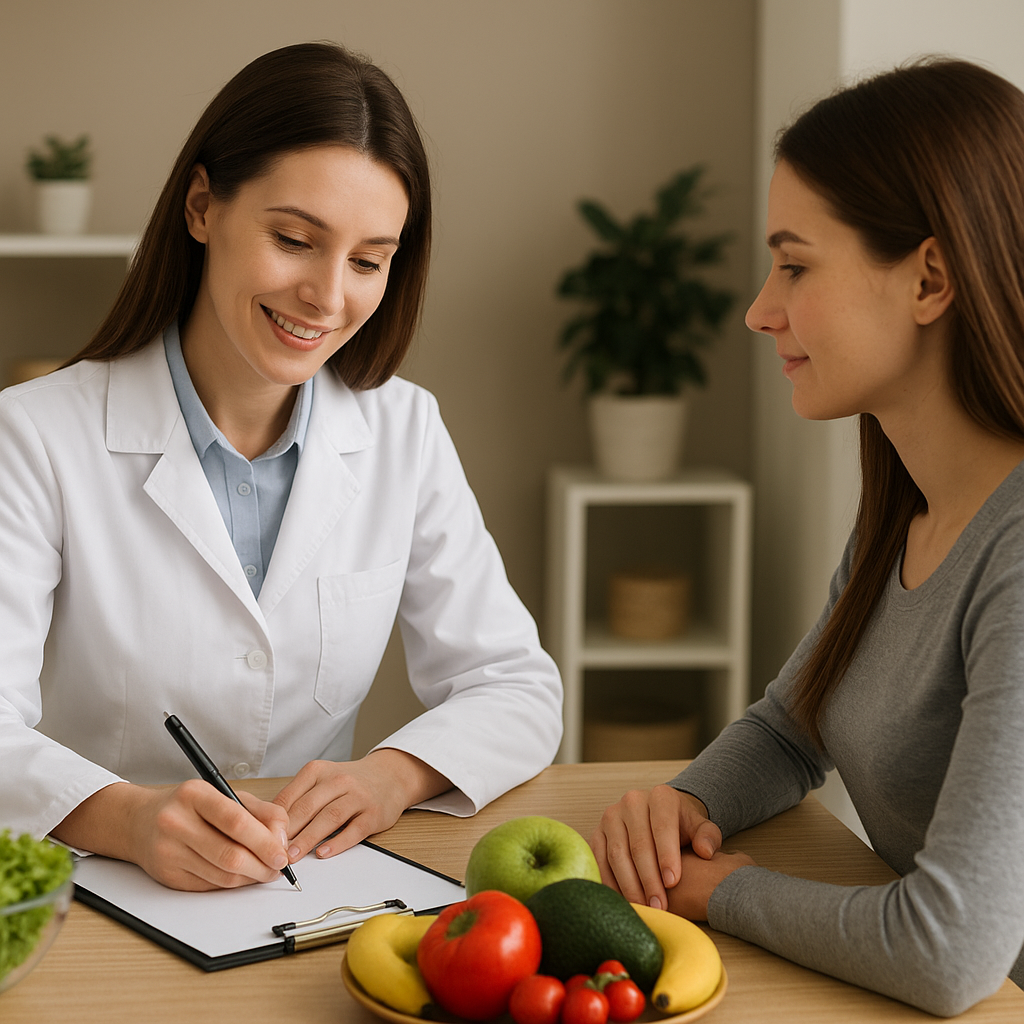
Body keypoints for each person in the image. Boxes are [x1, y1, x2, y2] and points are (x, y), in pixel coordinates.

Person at [0, 42, 562, 893]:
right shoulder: (36, 436)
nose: (329, 298)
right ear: (201, 207)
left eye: (369, 260)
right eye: (295, 240)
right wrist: (127, 817)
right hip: (102, 890)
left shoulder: (402, 430)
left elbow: (516, 686)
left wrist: (391, 776)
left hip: (310, 891)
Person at [591, 58, 1024, 1016]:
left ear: (931, 279)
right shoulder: (909, 508)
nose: (760, 309)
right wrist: (689, 807)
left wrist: (715, 891)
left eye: (794, 264)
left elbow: (951, 953)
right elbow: (794, 730)